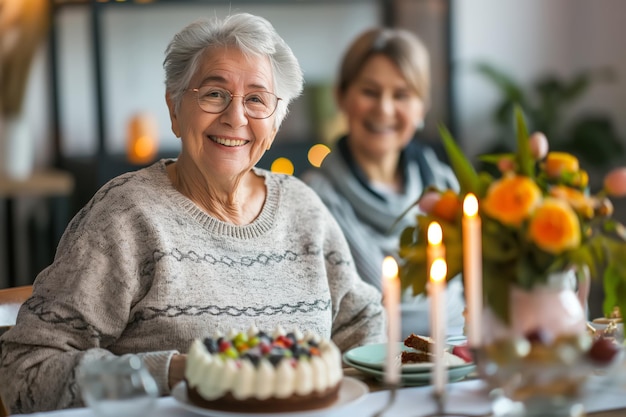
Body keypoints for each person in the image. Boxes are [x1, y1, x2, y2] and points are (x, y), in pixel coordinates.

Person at [0, 13, 385, 413]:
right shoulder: (126, 218)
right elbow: (25, 373)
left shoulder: (304, 209)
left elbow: (363, 326)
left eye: (256, 99)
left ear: (274, 123)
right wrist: (173, 373)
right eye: (214, 94)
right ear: (174, 107)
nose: (235, 117)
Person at [302, 28, 464, 337]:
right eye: (370, 92)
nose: (385, 109)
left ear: (421, 107)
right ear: (342, 97)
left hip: (461, 359)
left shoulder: (441, 179)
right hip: (374, 369)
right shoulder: (316, 196)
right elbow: (373, 306)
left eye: (401, 94)